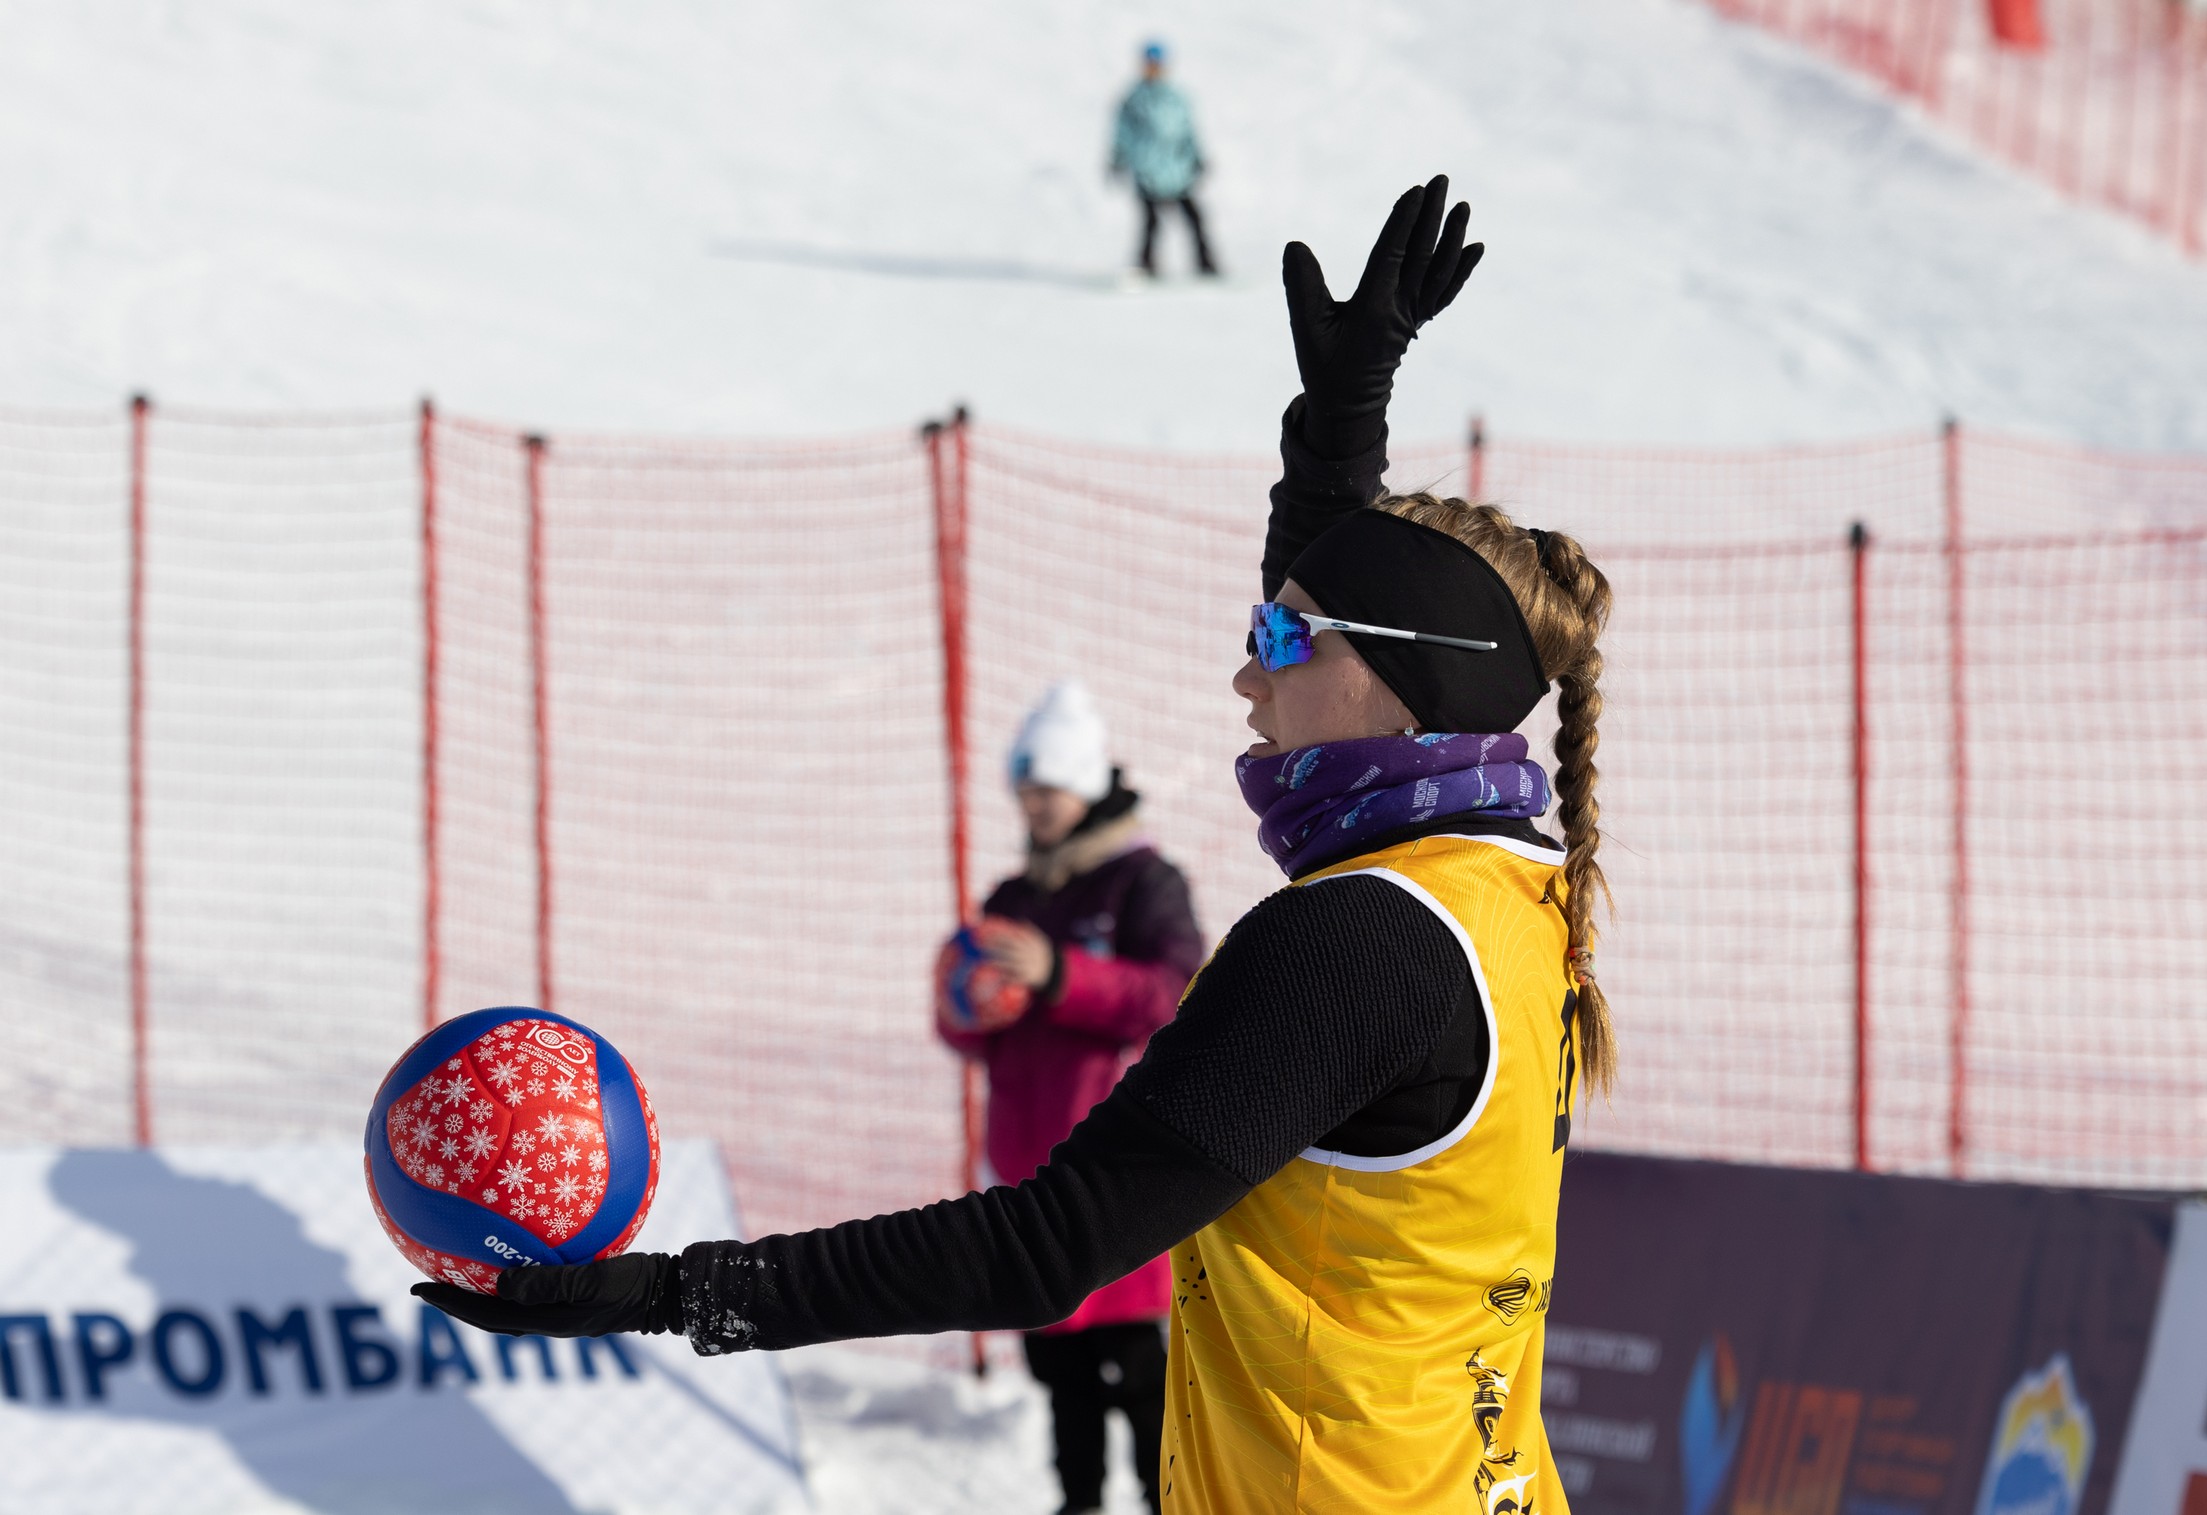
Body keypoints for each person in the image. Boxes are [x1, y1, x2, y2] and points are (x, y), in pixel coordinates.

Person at [419, 176, 1618, 1515]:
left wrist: (676, 1288)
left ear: (1400, 691)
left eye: (1280, 641)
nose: (1245, 675)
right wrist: (1338, 431)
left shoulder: (1357, 938)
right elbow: (1370, 618)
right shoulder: (1509, 888)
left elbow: (1058, 1239)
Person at [937, 680, 1204, 1515]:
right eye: (1024, 789)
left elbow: (1176, 990)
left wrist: (1059, 974)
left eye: (1046, 788)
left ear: (1085, 786)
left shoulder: (1143, 882)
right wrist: (964, 1007)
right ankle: (1077, 1502)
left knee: (1145, 1388)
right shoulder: (1015, 897)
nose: (1033, 805)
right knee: (1063, 1381)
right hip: (1028, 1177)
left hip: (1122, 1179)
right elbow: (972, 1036)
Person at [1110, 41, 1217, 279]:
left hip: (1177, 172)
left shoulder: (1176, 98)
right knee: (1151, 223)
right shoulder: (1133, 100)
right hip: (1147, 172)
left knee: (1194, 219)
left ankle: (1206, 264)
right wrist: (1117, 159)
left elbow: (1188, 133)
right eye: (1149, 64)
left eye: (1157, 64)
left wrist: (1197, 159)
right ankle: (1146, 265)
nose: (1153, 68)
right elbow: (1122, 134)